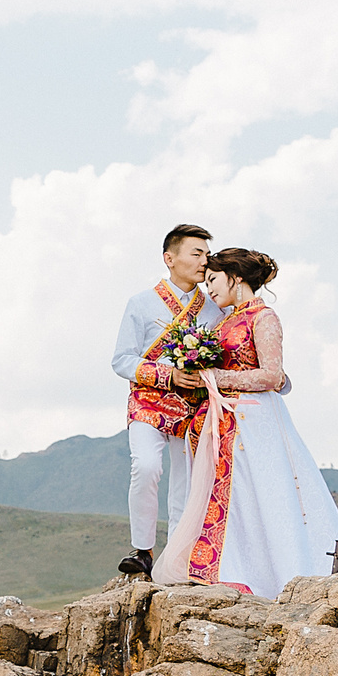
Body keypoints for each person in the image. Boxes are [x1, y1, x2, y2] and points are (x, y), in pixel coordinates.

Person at [153, 246, 338, 599]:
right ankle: (229, 568)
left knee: (264, 498)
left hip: (255, 421)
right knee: (235, 502)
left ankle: (270, 575)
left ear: (237, 277)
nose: (210, 289)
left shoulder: (264, 318)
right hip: (224, 422)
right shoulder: (224, 321)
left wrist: (217, 378)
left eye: (214, 279)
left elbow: (273, 376)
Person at [111, 223, 218, 579]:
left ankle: (175, 556)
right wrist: (167, 375)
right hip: (149, 402)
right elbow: (122, 360)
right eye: (196, 253)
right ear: (169, 258)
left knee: (186, 484)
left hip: (193, 406)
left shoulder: (214, 310)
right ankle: (142, 549)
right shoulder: (141, 302)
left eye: (206, 254)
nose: (204, 261)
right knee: (145, 467)